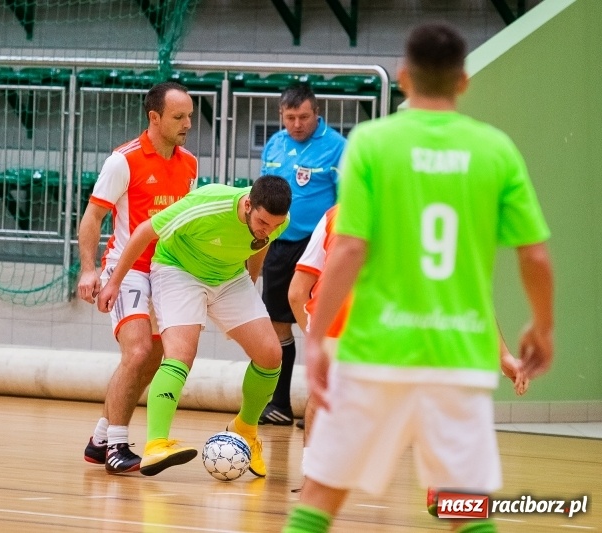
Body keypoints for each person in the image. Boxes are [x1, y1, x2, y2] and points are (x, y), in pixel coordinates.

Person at [284, 22, 554, 533]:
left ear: (404, 77)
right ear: (463, 81)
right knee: (464, 505)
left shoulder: (372, 143)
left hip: (375, 349)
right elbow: (535, 256)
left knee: (318, 499)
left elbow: (350, 249)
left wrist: (317, 340)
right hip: (458, 353)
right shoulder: (494, 149)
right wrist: (542, 328)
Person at [288, 208, 529, 494]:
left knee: (325, 401)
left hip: (340, 325)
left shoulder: (337, 214)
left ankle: (312, 479)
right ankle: (447, 487)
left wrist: (314, 337)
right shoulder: (433, 217)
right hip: (396, 328)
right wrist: (502, 355)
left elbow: (296, 292)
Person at [96, 175, 292, 477]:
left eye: (275, 225)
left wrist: (251, 281)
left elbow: (260, 245)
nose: (270, 229)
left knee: (270, 354)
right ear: (248, 204)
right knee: (180, 355)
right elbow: (144, 232)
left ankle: (246, 429)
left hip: (228, 277)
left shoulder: (279, 220)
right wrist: (114, 283)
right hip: (179, 271)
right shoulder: (207, 204)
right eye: (264, 222)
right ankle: (156, 445)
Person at [76, 81, 197, 474]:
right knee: (139, 351)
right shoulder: (123, 161)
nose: (187, 124)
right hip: (125, 271)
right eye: (179, 117)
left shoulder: (189, 164)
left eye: (190, 116)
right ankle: (116, 445)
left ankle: (98, 439)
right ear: (154, 117)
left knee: (155, 358)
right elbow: (92, 217)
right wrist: (89, 268)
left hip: (166, 272)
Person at [258, 83, 347, 426]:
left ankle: (319, 404)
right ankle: (279, 403)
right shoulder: (274, 144)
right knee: (278, 324)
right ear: (281, 115)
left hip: (318, 248)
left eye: (304, 117)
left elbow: (346, 202)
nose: (297, 124)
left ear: (317, 113)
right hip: (279, 246)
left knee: (318, 327)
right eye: (290, 117)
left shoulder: (338, 147)